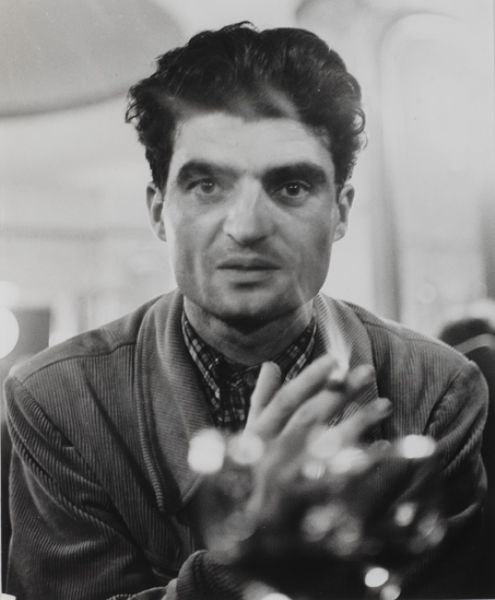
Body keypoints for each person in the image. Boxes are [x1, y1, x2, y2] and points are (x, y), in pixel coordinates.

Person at [4, 23, 488, 600]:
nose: (248, 226)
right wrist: (252, 554)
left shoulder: (439, 390)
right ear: (159, 212)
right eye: (207, 185)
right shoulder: (58, 398)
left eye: (291, 187)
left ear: (340, 212)